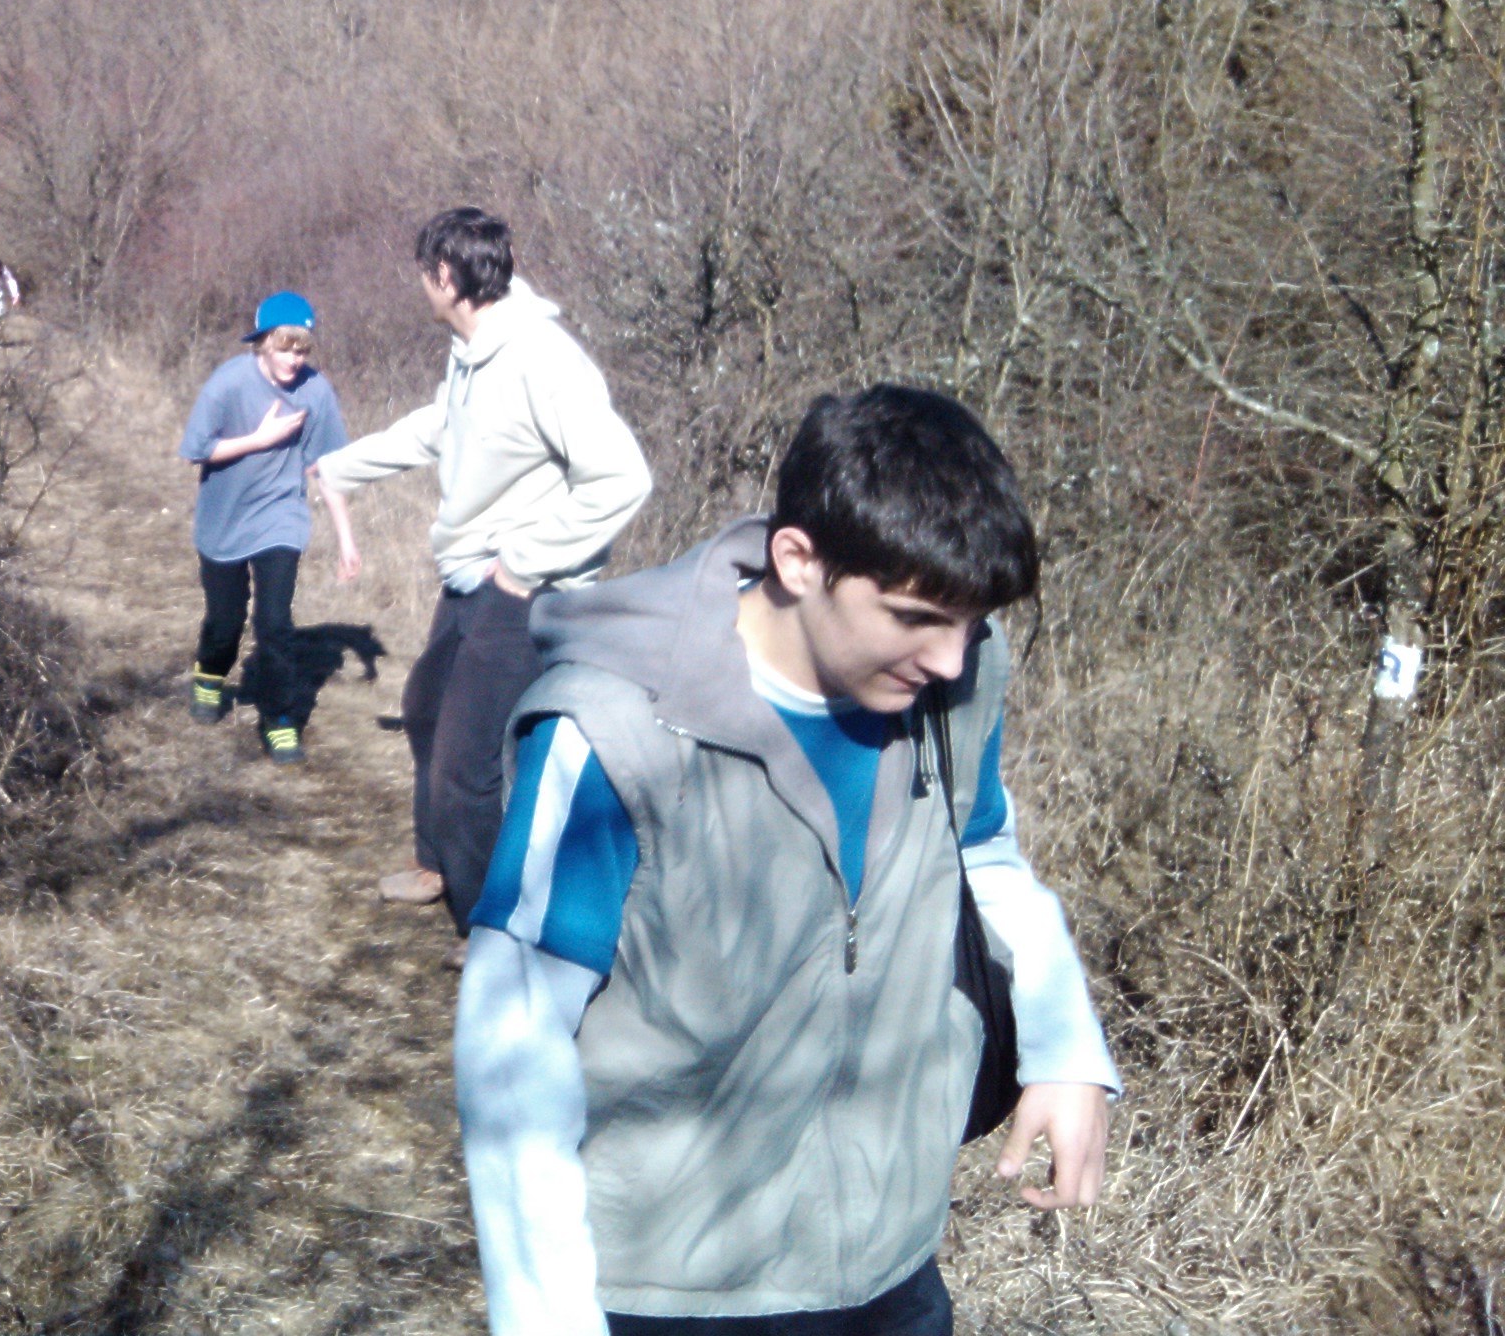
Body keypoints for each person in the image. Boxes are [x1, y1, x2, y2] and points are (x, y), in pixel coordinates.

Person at [455, 385, 1118, 1336]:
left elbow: (982, 855)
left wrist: (1065, 1045)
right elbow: (513, 1036)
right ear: (798, 560)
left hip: (887, 1259)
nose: (949, 659)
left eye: (971, 623)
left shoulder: (958, 683)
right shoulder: (614, 730)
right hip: (674, 1291)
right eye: (916, 617)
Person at [313, 208, 651, 957]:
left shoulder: (542, 359)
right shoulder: (471, 353)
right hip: (470, 575)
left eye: (423, 275)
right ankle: (439, 864)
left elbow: (623, 479)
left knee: (469, 766)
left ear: (444, 275)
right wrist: (340, 469)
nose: (421, 287)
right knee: (425, 710)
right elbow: (439, 429)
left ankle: (492, 926)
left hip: (525, 588)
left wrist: (525, 564)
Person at [178, 292, 359, 765]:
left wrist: (346, 538)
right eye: (285, 348)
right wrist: (259, 440)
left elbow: (325, 467)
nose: (294, 359)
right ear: (262, 344)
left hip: (280, 516)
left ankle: (280, 718)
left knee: (275, 624)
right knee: (225, 621)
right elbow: (196, 449)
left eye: (302, 350)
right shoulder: (228, 383)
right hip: (223, 517)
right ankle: (210, 674)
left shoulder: (316, 391)